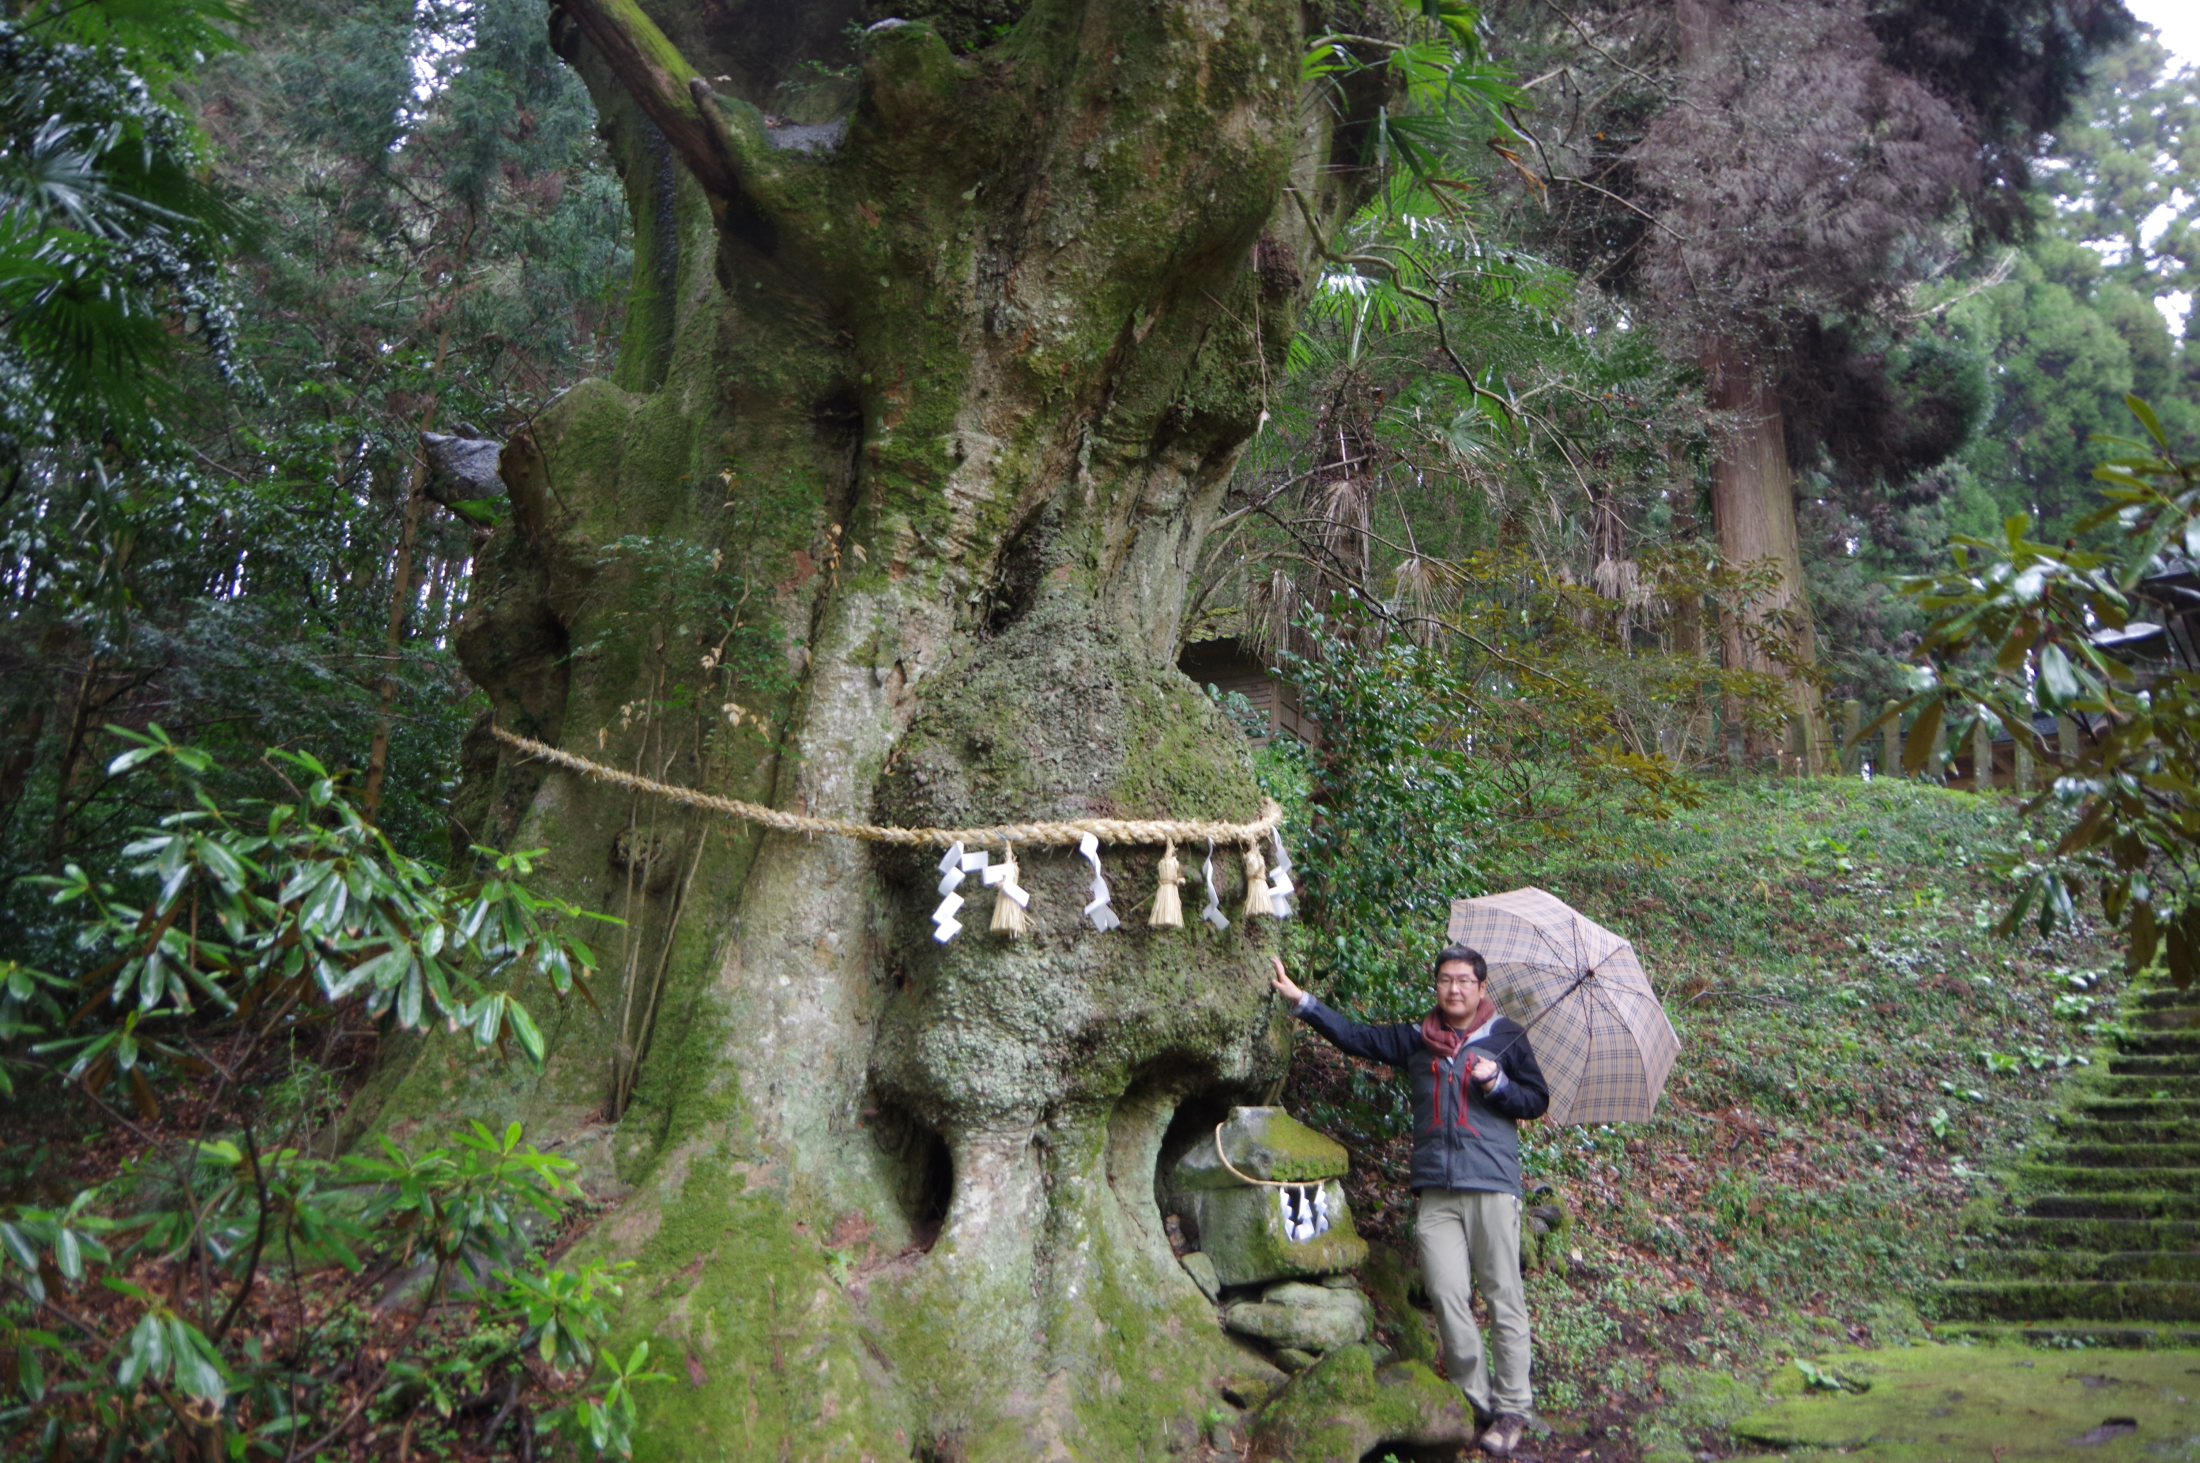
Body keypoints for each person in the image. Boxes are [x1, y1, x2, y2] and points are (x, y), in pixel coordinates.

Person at [1269, 947, 1549, 1458]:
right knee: (1445, 1293)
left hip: (1492, 1184)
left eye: (1464, 980)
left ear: (1482, 987)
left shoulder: (1507, 1038)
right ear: (1436, 986)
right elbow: (1358, 1037)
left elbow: (1536, 1100)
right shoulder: (1419, 1039)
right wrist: (1303, 1002)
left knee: (1502, 1295)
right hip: (1436, 1189)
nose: (1454, 989)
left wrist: (1499, 1083)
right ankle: (1472, 1399)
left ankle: (1513, 1407)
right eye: (1445, 980)